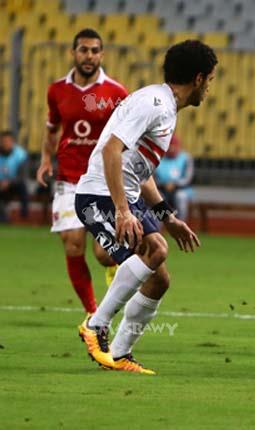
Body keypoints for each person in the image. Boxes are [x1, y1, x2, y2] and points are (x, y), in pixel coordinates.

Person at [75, 40, 217, 375]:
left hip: (123, 195)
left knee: (159, 280)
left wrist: (169, 216)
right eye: (210, 80)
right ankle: (95, 325)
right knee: (156, 249)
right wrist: (123, 211)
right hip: (99, 195)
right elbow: (111, 150)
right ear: (198, 79)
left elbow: (140, 171)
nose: (210, 88)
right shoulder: (153, 104)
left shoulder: (164, 107)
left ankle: (121, 354)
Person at [36, 28, 128, 314]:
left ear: (102, 54)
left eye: (94, 50)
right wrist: (45, 160)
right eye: (83, 50)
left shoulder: (116, 92)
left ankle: (113, 272)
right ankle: (92, 313)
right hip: (69, 179)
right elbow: (52, 129)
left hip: (102, 181)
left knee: (104, 253)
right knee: (73, 244)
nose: (89, 56)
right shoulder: (57, 90)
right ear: (73, 53)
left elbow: (126, 136)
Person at [155, 134, 194, 221]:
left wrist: (175, 184)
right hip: (162, 188)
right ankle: (160, 224)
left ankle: (180, 223)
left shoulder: (186, 158)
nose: (171, 148)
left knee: (180, 197)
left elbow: (188, 178)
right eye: (169, 146)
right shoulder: (159, 158)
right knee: (157, 198)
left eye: (174, 146)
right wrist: (164, 185)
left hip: (182, 189)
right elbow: (153, 178)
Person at [0, 130, 29, 222]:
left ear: (13, 142)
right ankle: (3, 217)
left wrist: (9, 182)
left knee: (23, 187)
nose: (6, 144)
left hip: (14, 184)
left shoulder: (21, 155)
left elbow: (22, 175)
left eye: (8, 141)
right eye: (4, 141)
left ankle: (24, 217)